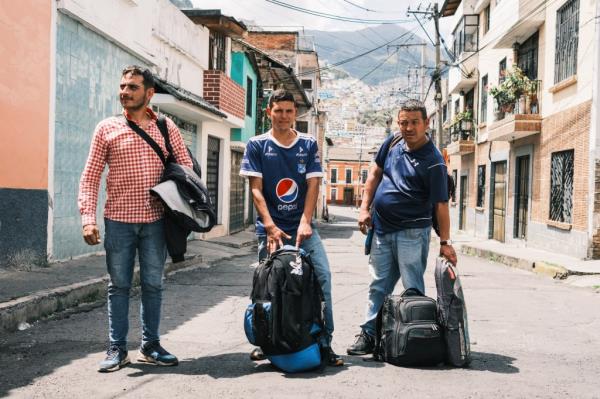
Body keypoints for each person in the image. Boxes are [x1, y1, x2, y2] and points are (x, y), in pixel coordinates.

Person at [78, 65, 192, 372]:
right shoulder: (106, 128)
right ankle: (117, 348)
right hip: (118, 221)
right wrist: (88, 217)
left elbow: (186, 172)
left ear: (149, 93)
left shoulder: (167, 128)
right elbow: (89, 176)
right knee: (119, 286)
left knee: (153, 284)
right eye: (122, 86)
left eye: (132, 87)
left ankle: (150, 346)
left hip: (156, 222)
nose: (124, 92)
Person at [240, 89, 343, 367]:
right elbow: (256, 190)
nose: (284, 116)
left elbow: (313, 184)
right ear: (268, 112)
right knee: (268, 291)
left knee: (322, 281)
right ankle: (268, 342)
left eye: (289, 111)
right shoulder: (257, 145)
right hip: (271, 233)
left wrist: (306, 221)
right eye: (278, 110)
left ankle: (324, 344)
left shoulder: (308, 144)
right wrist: (270, 226)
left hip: (304, 231)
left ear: (295, 114)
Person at [346, 99, 457, 356]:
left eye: (414, 122)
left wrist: (445, 242)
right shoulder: (393, 142)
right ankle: (369, 335)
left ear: (426, 123)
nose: (408, 128)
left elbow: (441, 205)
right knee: (378, 286)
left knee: (412, 289)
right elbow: (374, 172)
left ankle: (414, 338)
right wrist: (364, 208)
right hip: (382, 230)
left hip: (412, 233)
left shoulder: (434, 161)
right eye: (404, 122)